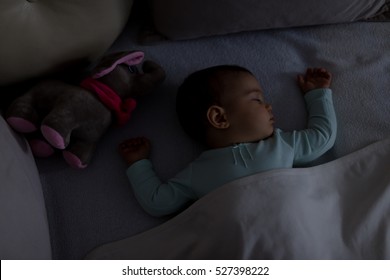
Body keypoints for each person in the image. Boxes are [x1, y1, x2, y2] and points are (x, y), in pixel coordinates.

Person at [119, 66, 337, 217]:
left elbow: (322, 137)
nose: (268, 106)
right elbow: (158, 203)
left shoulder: (281, 145)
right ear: (220, 118)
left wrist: (317, 94)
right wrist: (139, 164)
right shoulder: (198, 172)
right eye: (257, 100)